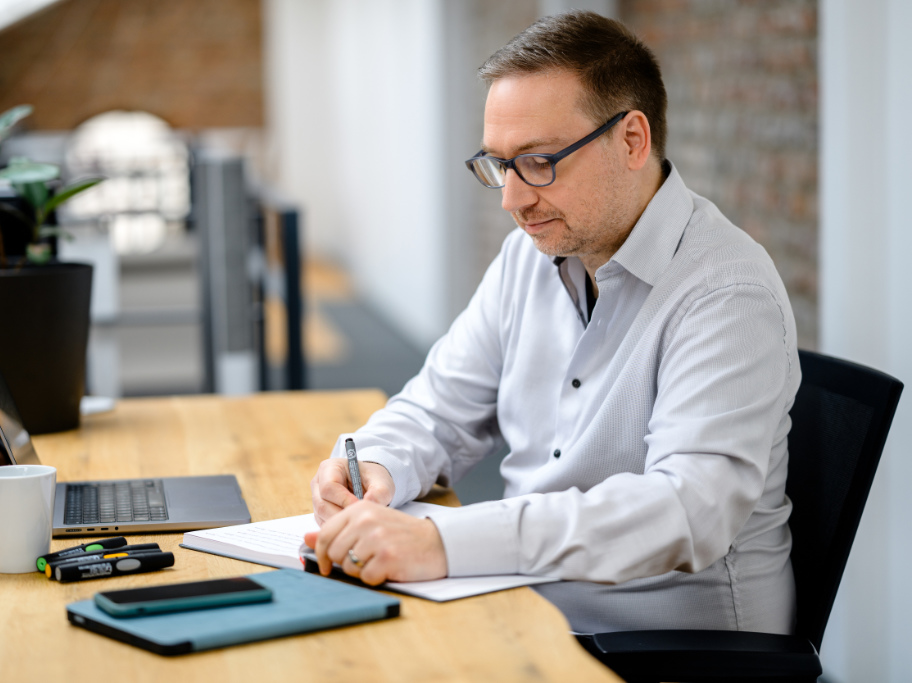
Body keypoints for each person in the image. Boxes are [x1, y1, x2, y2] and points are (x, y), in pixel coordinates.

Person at [306, 11, 800, 634]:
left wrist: (443, 540)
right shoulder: (530, 256)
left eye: (538, 162)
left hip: (662, 645)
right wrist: (376, 467)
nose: (512, 199)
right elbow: (437, 409)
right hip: (523, 601)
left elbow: (685, 510)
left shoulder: (726, 292)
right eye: (498, 165)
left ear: (631, 140)